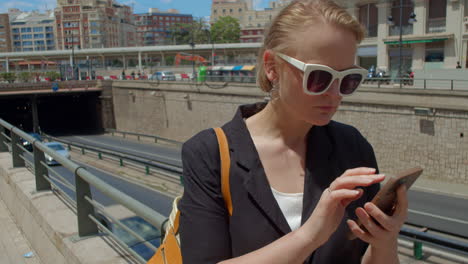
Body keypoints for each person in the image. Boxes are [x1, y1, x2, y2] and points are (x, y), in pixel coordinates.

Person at [179, 0, 408, 263]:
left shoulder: (352, 146)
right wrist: (310, 235)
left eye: (348, 79)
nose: (335, 94)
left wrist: (385, 241)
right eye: (319, 77)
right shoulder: (209, 154)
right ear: (272, 67)